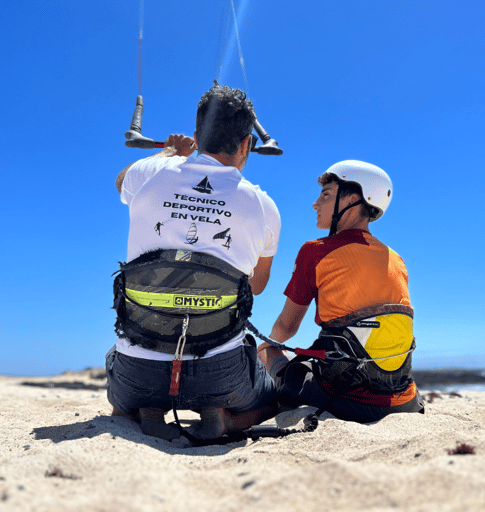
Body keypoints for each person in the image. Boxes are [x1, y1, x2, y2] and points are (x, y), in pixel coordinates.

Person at [107, 84, 281, 441]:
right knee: (272, 398)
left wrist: (169, 152)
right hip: (219, 373)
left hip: (138, 373)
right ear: (246, 144)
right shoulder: (264, 207)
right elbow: (257, 286)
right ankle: (222, 416)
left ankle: (145, 407)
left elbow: (121, 180)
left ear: (198, 136)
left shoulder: (150, 173)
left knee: (119, 368)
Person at [258, 160, 424, 423]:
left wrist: (266, 347)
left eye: (325, 195)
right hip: (404, 400)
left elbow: (286, 328)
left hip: (341, 397)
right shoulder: (397, 260)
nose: (315, 204)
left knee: (267, 351)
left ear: (353, 200)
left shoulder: (315, 251)